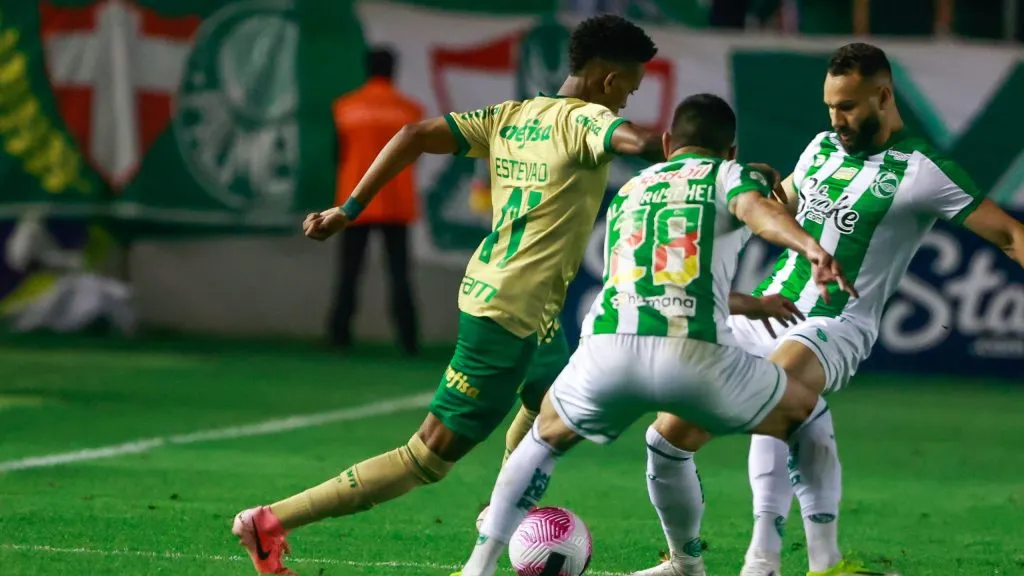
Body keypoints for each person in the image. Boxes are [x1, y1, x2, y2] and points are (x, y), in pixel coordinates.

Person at [230, 15, 666, 575]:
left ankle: (499, 513)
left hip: (521, 303)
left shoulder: (511, 116)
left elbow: (414, 135)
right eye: (629, 86)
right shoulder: (588, 120)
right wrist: (702, 159)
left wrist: (348, 209)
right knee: (427, 458)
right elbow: (638, 142)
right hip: (508, 313)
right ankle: (269, 522)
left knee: (553, 406)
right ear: (608, 78)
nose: (627, 99)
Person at [634, 43, 1024, 576]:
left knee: (771, 392)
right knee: (665, 439)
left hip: (836, 323)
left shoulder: (923, 170)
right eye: (830, 107)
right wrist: (749, 190)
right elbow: (779, 208)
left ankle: (762, 561)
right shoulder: (820, 148)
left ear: (883, 96)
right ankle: (685, 563)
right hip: (768, 310)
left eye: (848, 107)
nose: (836, 120)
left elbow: (1009, 236)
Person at [450, 93, 857, 576]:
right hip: (692, 356)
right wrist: (811, 248)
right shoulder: (731, 175)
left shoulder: (632, 189)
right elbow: (757, 210)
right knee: (809, 416)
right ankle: (825, 563)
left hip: (607, 350)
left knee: (541, 441)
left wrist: (752, 304)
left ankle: (477, 567)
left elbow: (655, 281)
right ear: (730, 150)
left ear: (666, 144)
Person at [328, 47, 423, 355]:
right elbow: (416, 156)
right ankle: (408, 340)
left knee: (349, 272)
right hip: (396, 202)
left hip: (355, 203)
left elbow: (337, 155)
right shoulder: (410, 110)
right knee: (400, 274)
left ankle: (338, 336)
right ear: (393, 70)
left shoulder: (345, 108)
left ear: (366, 68)